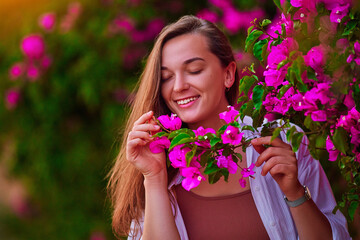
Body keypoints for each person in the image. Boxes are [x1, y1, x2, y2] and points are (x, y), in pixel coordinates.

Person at [107, 15, 351, 240]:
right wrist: (154, 178)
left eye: (194, 70)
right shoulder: (155, 162)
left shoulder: (281, 141)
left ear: (229, 74)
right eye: (167, 77)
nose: (178, 86)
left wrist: (295, 193)